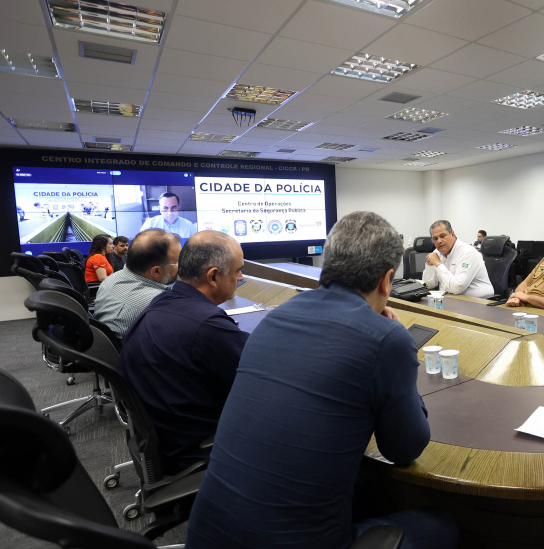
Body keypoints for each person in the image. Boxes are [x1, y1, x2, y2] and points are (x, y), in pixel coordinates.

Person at [187, 211, 458, 549]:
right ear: (387, 280)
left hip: (205, 534)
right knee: (443, 524)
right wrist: (401, 346)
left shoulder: (275, 317)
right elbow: (405, 449)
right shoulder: (386, 338)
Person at [119, 230, 248, 474]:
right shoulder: (207, 326)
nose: (241, 278)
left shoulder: (162, 303)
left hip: (167, 439)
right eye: (237, 271)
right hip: (198, 450)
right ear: (213, 276)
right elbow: (261, 381)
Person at [93, 230, 180, 338]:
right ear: (156, 271)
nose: (180, 265)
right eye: (177, 261)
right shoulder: (160, 304)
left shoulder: (111, 279)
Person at [422, 219, 494, 298]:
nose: (439, 241)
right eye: (435, 239)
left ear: (452, 234)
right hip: (449, 299)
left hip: (478, 302)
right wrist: (429, 265)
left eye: (442, 236)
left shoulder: (468, 252)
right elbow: (429, 285)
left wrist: (438, 264)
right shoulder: (437, 252)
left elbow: (458, 288)